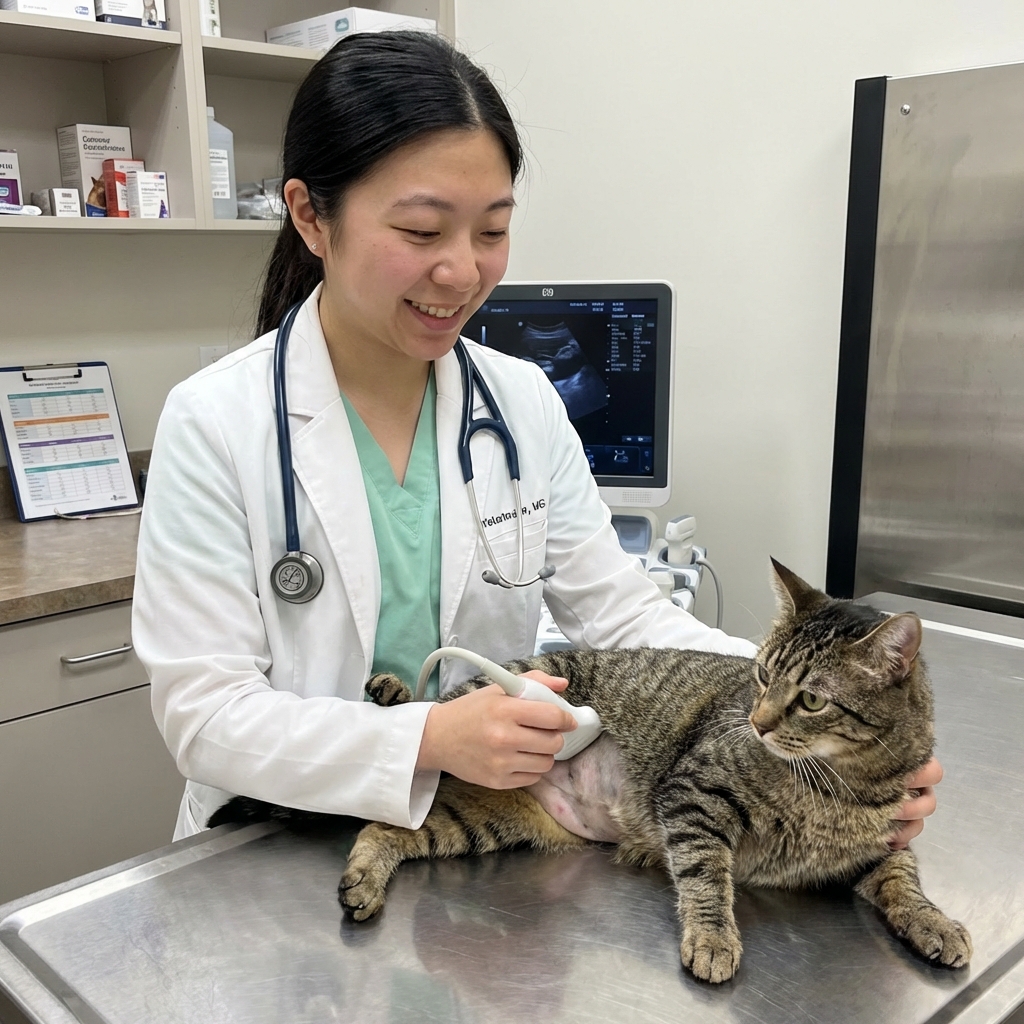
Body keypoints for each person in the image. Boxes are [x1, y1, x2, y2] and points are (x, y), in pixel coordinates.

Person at [131, 30, 940, 844]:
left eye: (491, 232)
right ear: (311, 215)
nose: (462, 272)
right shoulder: (216, 422)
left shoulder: (518, 401)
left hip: (477, 835)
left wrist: (836, 727)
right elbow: (205, 716)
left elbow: (620, 614)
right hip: (265, 847)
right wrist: (425, 738)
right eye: (421, 231)